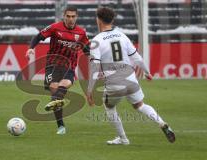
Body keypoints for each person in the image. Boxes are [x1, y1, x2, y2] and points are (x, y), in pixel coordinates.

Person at [86, 7, 175, 145]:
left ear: (98, 20)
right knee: (139, 105)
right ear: (112, 20)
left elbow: (94, 66)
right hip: (131, 79)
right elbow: (137, 58)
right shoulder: (121, 35)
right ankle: (162, 123)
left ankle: (123, 139)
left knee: (109, 106)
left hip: (115, 82)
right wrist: (147, 72)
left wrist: (90, 89)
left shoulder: (97, 40)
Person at [26, 6, 90, 135]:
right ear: (64, 16)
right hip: (53, 65)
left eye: (73, 16)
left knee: (65, 84)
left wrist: (95, 59)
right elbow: (39, 36)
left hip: (69, 66)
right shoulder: (55, 27)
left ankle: (55, 102)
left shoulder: (81, 33)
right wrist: (31, 48)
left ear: (76, 17)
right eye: (68, 16)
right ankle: (60, 125)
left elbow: (87, 50)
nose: (70, 19)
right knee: (55, 88)